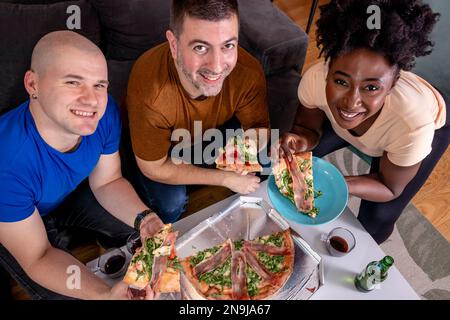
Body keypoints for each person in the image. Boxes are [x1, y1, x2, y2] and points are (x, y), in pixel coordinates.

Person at [0, 31, 164, 300]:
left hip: (66, 195)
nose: (92, 100)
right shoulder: (7, 162)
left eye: (100, 85)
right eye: (73, 82)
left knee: (138, 237)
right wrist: (105, 294)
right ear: (33, 84)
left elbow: (107, 181)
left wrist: (145, 219)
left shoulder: (105, 111)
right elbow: (38, 257)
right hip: (14, 224)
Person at [279, 0, 448, 244]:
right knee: (301, 162)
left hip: (418, 127)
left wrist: (337, 184)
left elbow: (390, 187)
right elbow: (306, 129)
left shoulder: (413, 126)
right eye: (340, 82)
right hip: (363, 121)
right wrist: (300, 139)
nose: (351, 101)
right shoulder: (315, 80)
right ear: (328, 72)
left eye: (371, 87)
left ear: (392, 85)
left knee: (377, 218)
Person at [124, 0, 271, 223]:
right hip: (161, 150)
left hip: (208, 132)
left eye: (228, 45)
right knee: (172, 204)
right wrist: (225, 178)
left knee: (264, 164)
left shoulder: (247, 72)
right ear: (174, 45)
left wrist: (245, 152)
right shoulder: (150, 93)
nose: (216, 65)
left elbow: (258, 128)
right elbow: (154, 167)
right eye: (200, 47)